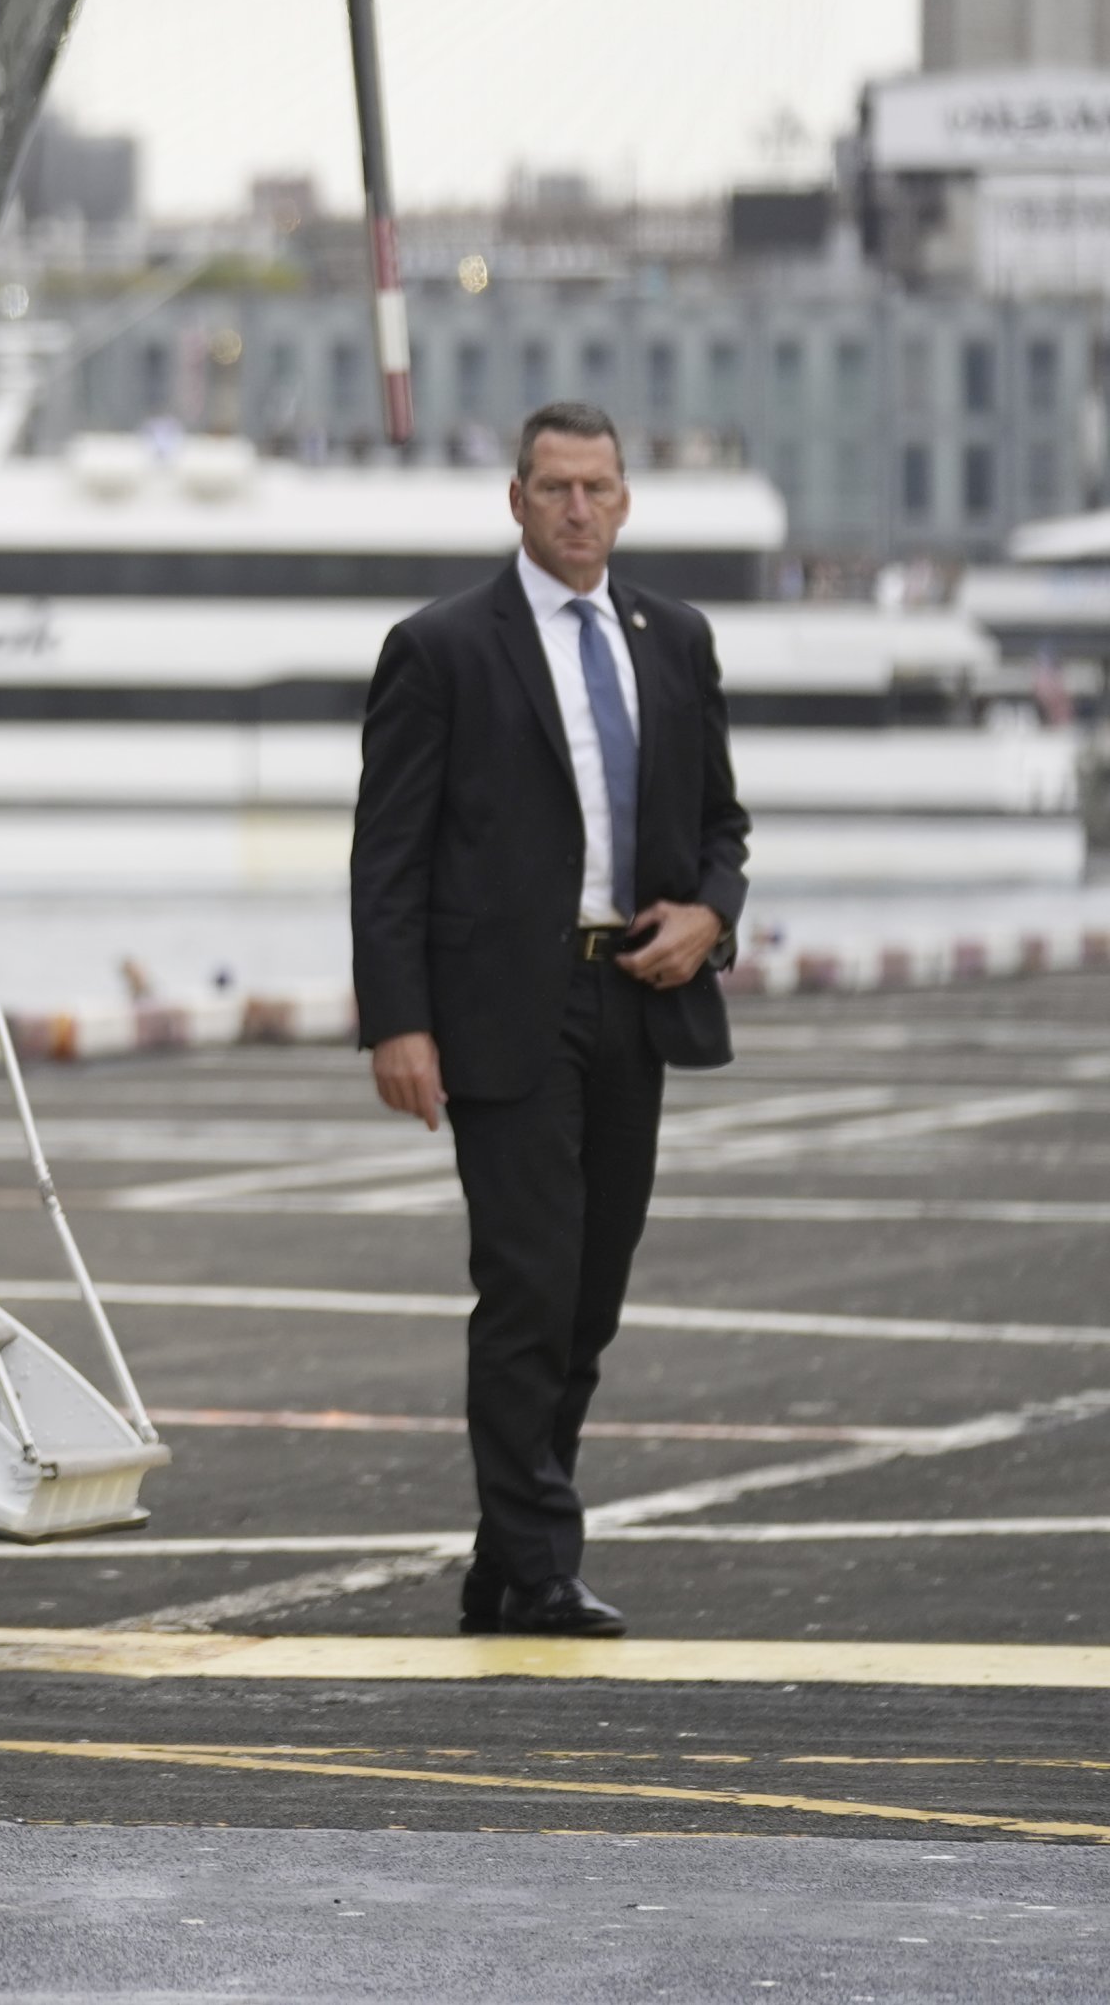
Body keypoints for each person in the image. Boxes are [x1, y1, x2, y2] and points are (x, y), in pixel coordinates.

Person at [353, 401, 745, 1638]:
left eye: (600, 488)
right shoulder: (443, 646)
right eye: (556, 488)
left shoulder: (673, 638)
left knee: (591, 1296)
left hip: (638, 994)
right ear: (516, 501)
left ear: (626, 501)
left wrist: (710, 917)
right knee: (526, 1284)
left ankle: (504, 1553)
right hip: (502, 1005)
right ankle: (539, 1564)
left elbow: (724, 826)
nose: (579, 508)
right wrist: (397, 1023)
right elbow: (389, 855)